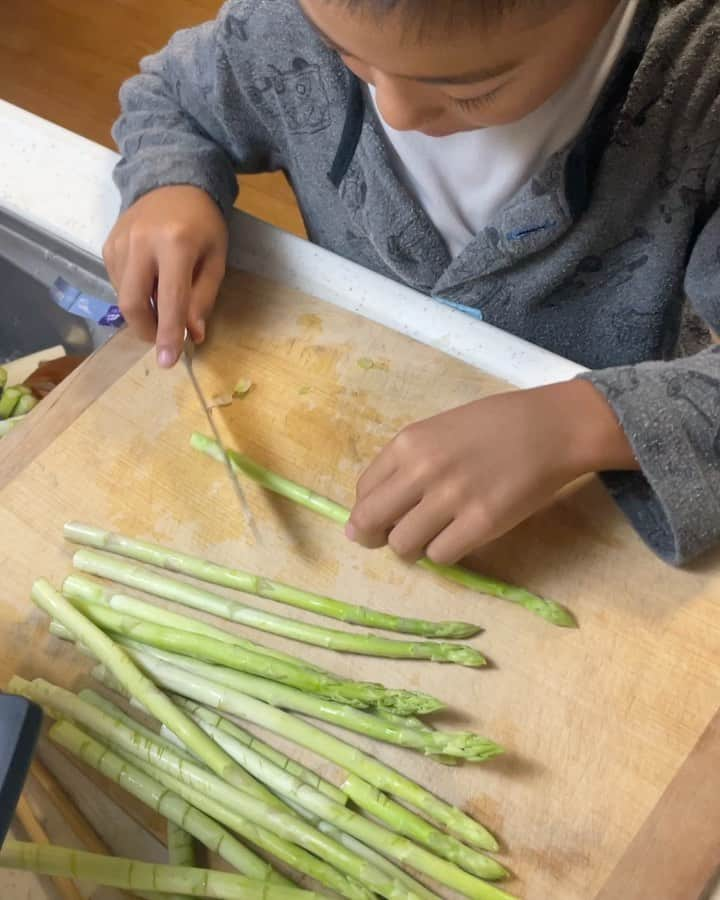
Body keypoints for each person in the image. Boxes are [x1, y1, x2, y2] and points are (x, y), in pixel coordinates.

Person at [104, 0, 720, 569]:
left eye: (474, 90)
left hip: (589, 512)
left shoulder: (701, 90)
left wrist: (582, 426)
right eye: (346, 56)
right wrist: (168, 184)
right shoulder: (288, 22)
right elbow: (171, 97)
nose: (393, 111)